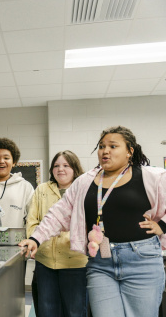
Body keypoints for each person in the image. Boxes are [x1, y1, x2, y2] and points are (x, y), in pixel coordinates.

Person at [20, 126, 166, 317]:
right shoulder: (85, 182)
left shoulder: (152, 176)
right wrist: (36, 238)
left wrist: (162, 225)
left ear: (129, 151)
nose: (105, 151)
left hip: (141, 261)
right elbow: (58, 213)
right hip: (100, 264)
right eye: (101, 146)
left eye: (113, 146)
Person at [26, 150, 88, 317]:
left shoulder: (84, 189)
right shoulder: (42, 189)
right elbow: (32, 221)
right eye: (56, 166)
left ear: (75, 168)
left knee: (75, 311)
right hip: (45, 262)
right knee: (47, 310)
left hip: (75, 262)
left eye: (66, 165)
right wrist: (37, 242)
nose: (61, 169)